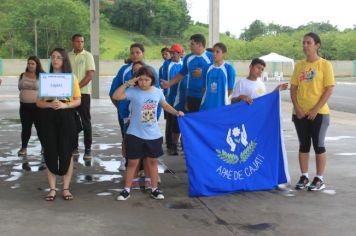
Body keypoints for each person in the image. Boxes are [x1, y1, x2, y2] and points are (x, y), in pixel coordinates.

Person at [112, 66, 184, 201]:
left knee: (152, 162)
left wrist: (176, 112)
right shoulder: (132, 91)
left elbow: (165, 105)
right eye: (141, 80)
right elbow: (116, 96)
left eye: (147, 80)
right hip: (134, 133)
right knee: (132, 162)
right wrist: (128, 83)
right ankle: (126, 189)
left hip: (153, 135)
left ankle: (154, 189)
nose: (143, 82)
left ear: (152, 80)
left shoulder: (157, 92)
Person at [290, 32, 335, 191]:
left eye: (309, 43)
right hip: (300, 113)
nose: (305, 46)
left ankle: (319, 179)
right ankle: (304, 176)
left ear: (317, 45)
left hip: (319, 113)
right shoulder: (299, 66)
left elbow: (329, 89)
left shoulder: (325, 65)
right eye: (304, 43)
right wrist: (297, 108)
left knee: (319, 145)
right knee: (303, 145)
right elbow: (293, 88)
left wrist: (315, 110)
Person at [36, 48, 81, 201]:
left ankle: (66, 188)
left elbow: (78, 100)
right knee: (50, 151)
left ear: (64, 60)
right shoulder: (46, 78)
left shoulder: (71, 78)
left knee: (66, 151)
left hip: (66, 115)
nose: (55, 60)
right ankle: (53, 189)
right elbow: (38, 102)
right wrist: (49, 105)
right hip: (48, 117)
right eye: (53, 57)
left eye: (59, 57)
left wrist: (65, 106)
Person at [160, 34, 213, 112]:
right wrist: (169, 83)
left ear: (200, 45)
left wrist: (203, 73)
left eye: (192, 44)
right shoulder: (188, 58)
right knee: (192, 120)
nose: (190, 46)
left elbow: (217, 74)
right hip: (191, 95)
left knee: (204, 121)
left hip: (206, 95)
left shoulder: (211, 57)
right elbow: (182, 73)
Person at [68, 34, 95, 160]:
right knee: (71, 122)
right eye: (77, 41)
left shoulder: (88, 56)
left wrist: (76, 88)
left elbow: (90, 75)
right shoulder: (67, 56)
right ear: (72, 42)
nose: (80, 44)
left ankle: (88, 149)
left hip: (83, 94)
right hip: (68, 95)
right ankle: (74, 147)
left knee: (86, 122)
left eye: (82, 42)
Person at [17, 56, 46, 171]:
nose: (30, 65)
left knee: (40, 128)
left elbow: (46, 91)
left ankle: (44, 147)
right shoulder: (22, 75)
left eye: (33, 64)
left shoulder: (42, 76)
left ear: (37, 65)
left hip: (38, 107)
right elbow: (20, 88)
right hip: (24, 107)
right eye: (29, 63)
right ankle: (24, 148)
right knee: (25, 128)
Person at [161, 43, 184, 155]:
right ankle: (171, 145)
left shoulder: (184, 64)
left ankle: (180, 143)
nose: (172, 55)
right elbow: (164, 81)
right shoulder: (167, 64)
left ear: (180, 53)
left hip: (182, 98)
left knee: (179, 121)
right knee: (170, 122)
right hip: (170, 98)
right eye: (171, 53)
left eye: (174, 53)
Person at [200, 42, 236, 111]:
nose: (214, 54)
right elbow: (204, 88)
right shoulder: (206, 67)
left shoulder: (229, 69)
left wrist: (221, 100)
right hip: (206, 105)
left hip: (221, 107)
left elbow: (230, 89)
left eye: (217, 52)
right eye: (213, 51)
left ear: (223, 54)